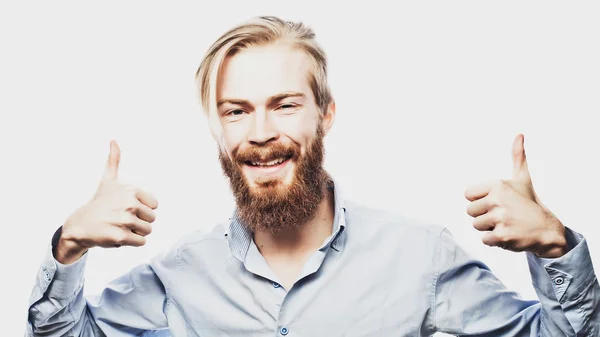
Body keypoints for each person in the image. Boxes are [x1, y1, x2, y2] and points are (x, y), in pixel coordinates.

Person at [26, 16, 598, 337]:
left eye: (284, 104)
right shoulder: (179, 274)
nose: (259, 130)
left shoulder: (418, 256)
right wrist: (69, 248)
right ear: (218, 130)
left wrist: (555, 248)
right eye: (236, 110)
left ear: (326, 114)